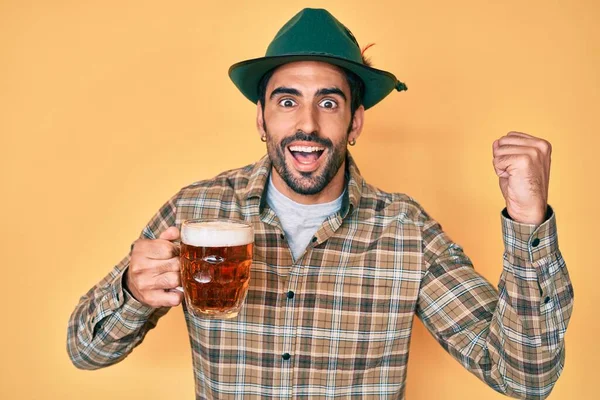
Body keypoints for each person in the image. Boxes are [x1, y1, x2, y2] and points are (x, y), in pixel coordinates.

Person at [67, 8, 573, 400]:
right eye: (287, 101)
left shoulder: (406, 232)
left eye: (328, 102)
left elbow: (523, 377)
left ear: (354, 123)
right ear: (262, 120)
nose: (307, 123)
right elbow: (84, 352)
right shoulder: (195, 210)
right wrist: (132, 292)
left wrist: (528, 221)